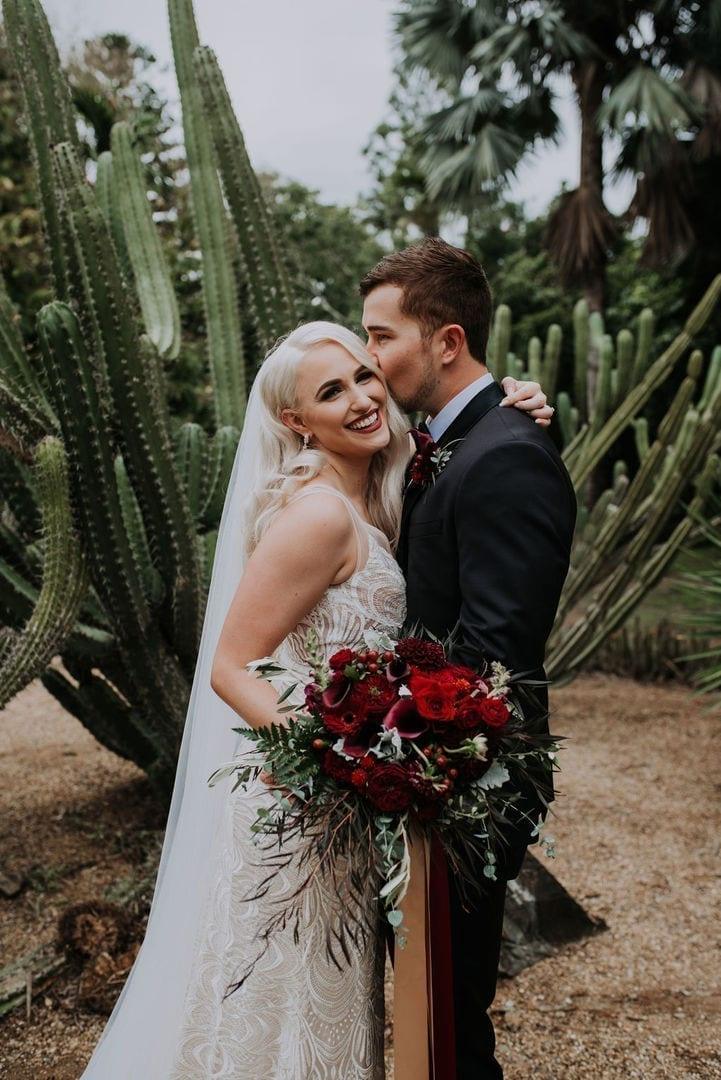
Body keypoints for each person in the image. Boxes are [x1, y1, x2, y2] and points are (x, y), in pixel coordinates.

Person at [79, 315, 552, 1079]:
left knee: (330, 1002)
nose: (362, 398)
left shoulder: (382, 493)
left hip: (345, 808)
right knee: (278, 1006)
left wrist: (511, 406)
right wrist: (342, 759)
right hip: (305, 805)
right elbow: (232, 666)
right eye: (331, 393)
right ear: (295, 422)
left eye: (364, 375)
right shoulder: (319, 514)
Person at [361, 237, 577, 1079]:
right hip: (417, 771)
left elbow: (494, 649)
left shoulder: (507, 456)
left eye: (383, 338)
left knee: (447, 1023)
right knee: (425, 1011)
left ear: (446, 341)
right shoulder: (449, 441)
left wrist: (376, 740)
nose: (369, 359)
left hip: (460, 781)